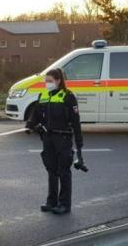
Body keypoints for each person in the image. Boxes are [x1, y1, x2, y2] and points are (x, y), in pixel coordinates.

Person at [26, 68, 84, 215]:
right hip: (48, 139)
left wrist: (79, 147)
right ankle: (51, 202)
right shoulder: (43, 95)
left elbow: (76, 124)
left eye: (50, 81)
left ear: (58, 81)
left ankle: (64, 204)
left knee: (64, 171)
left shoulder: (68, 97)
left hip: (63, 139)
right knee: (51, 171)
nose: (47, 84)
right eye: (46, 81)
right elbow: (35, 115)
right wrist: (31, 125)